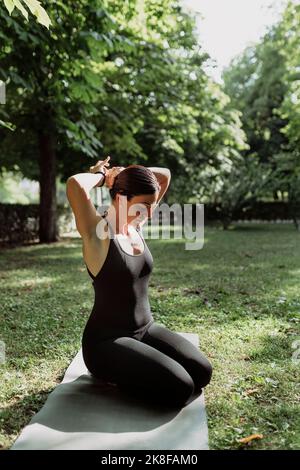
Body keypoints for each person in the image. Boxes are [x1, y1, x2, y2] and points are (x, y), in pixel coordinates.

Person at [66, 157, 212, 409]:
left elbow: (164, 174)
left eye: (153, 205)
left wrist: (123, 173)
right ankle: (112, 375)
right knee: (180, 388)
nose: (150, 212)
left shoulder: (136, 226)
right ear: (121, 197)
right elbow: (75, 184)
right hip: (107, 342)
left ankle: (136, 369)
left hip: (146, 329)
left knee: (202, 372)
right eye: (144, 205)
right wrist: (103, 176)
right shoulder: (97, 233)